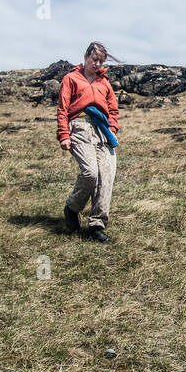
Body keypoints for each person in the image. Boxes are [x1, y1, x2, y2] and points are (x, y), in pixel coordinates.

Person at [56, 42, 121, 243]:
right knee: (90, 173)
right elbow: (63, 109)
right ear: (85, 57)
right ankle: (72, 207)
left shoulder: (105, 83)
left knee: (106, 174)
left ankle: (97, 225)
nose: (97, 64)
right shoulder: (71, 79)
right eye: (94, 60)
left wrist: (112, 128)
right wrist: (64, 135)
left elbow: (113, 110)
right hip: (80, 127)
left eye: (101, 61)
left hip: (102, 131)